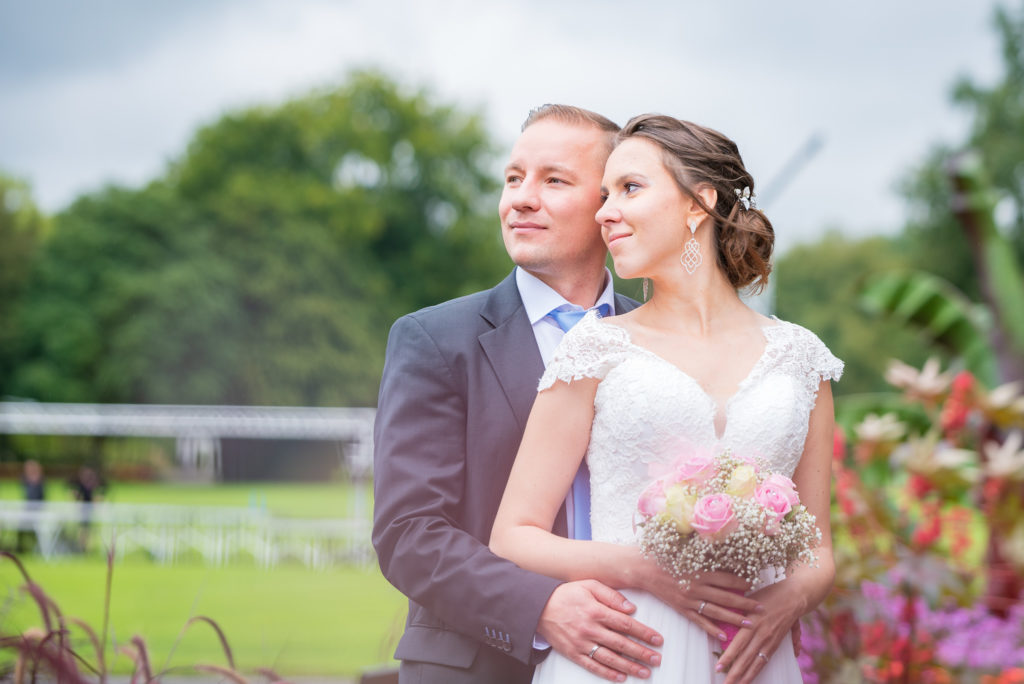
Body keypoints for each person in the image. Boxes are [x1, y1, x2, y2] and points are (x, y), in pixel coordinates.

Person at [373, 105, 725, 684]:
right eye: (513, 178)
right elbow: (408, 533)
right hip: (479, 668)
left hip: (650, 658)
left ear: (609, 205)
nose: (520, 199)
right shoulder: (434, 341)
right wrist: (539, 607)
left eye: (553, 180)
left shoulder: (670, 347)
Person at [490, 114, 842, 684]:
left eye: (629, 189)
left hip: (752, 651)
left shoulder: (802, 358)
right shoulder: (594, 349)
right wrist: (646, 569)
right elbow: (513, 534)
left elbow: (817, 550)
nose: (605, 212)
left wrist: (790, 600)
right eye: (603, 194)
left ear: (698, 204)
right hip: (628, 649)